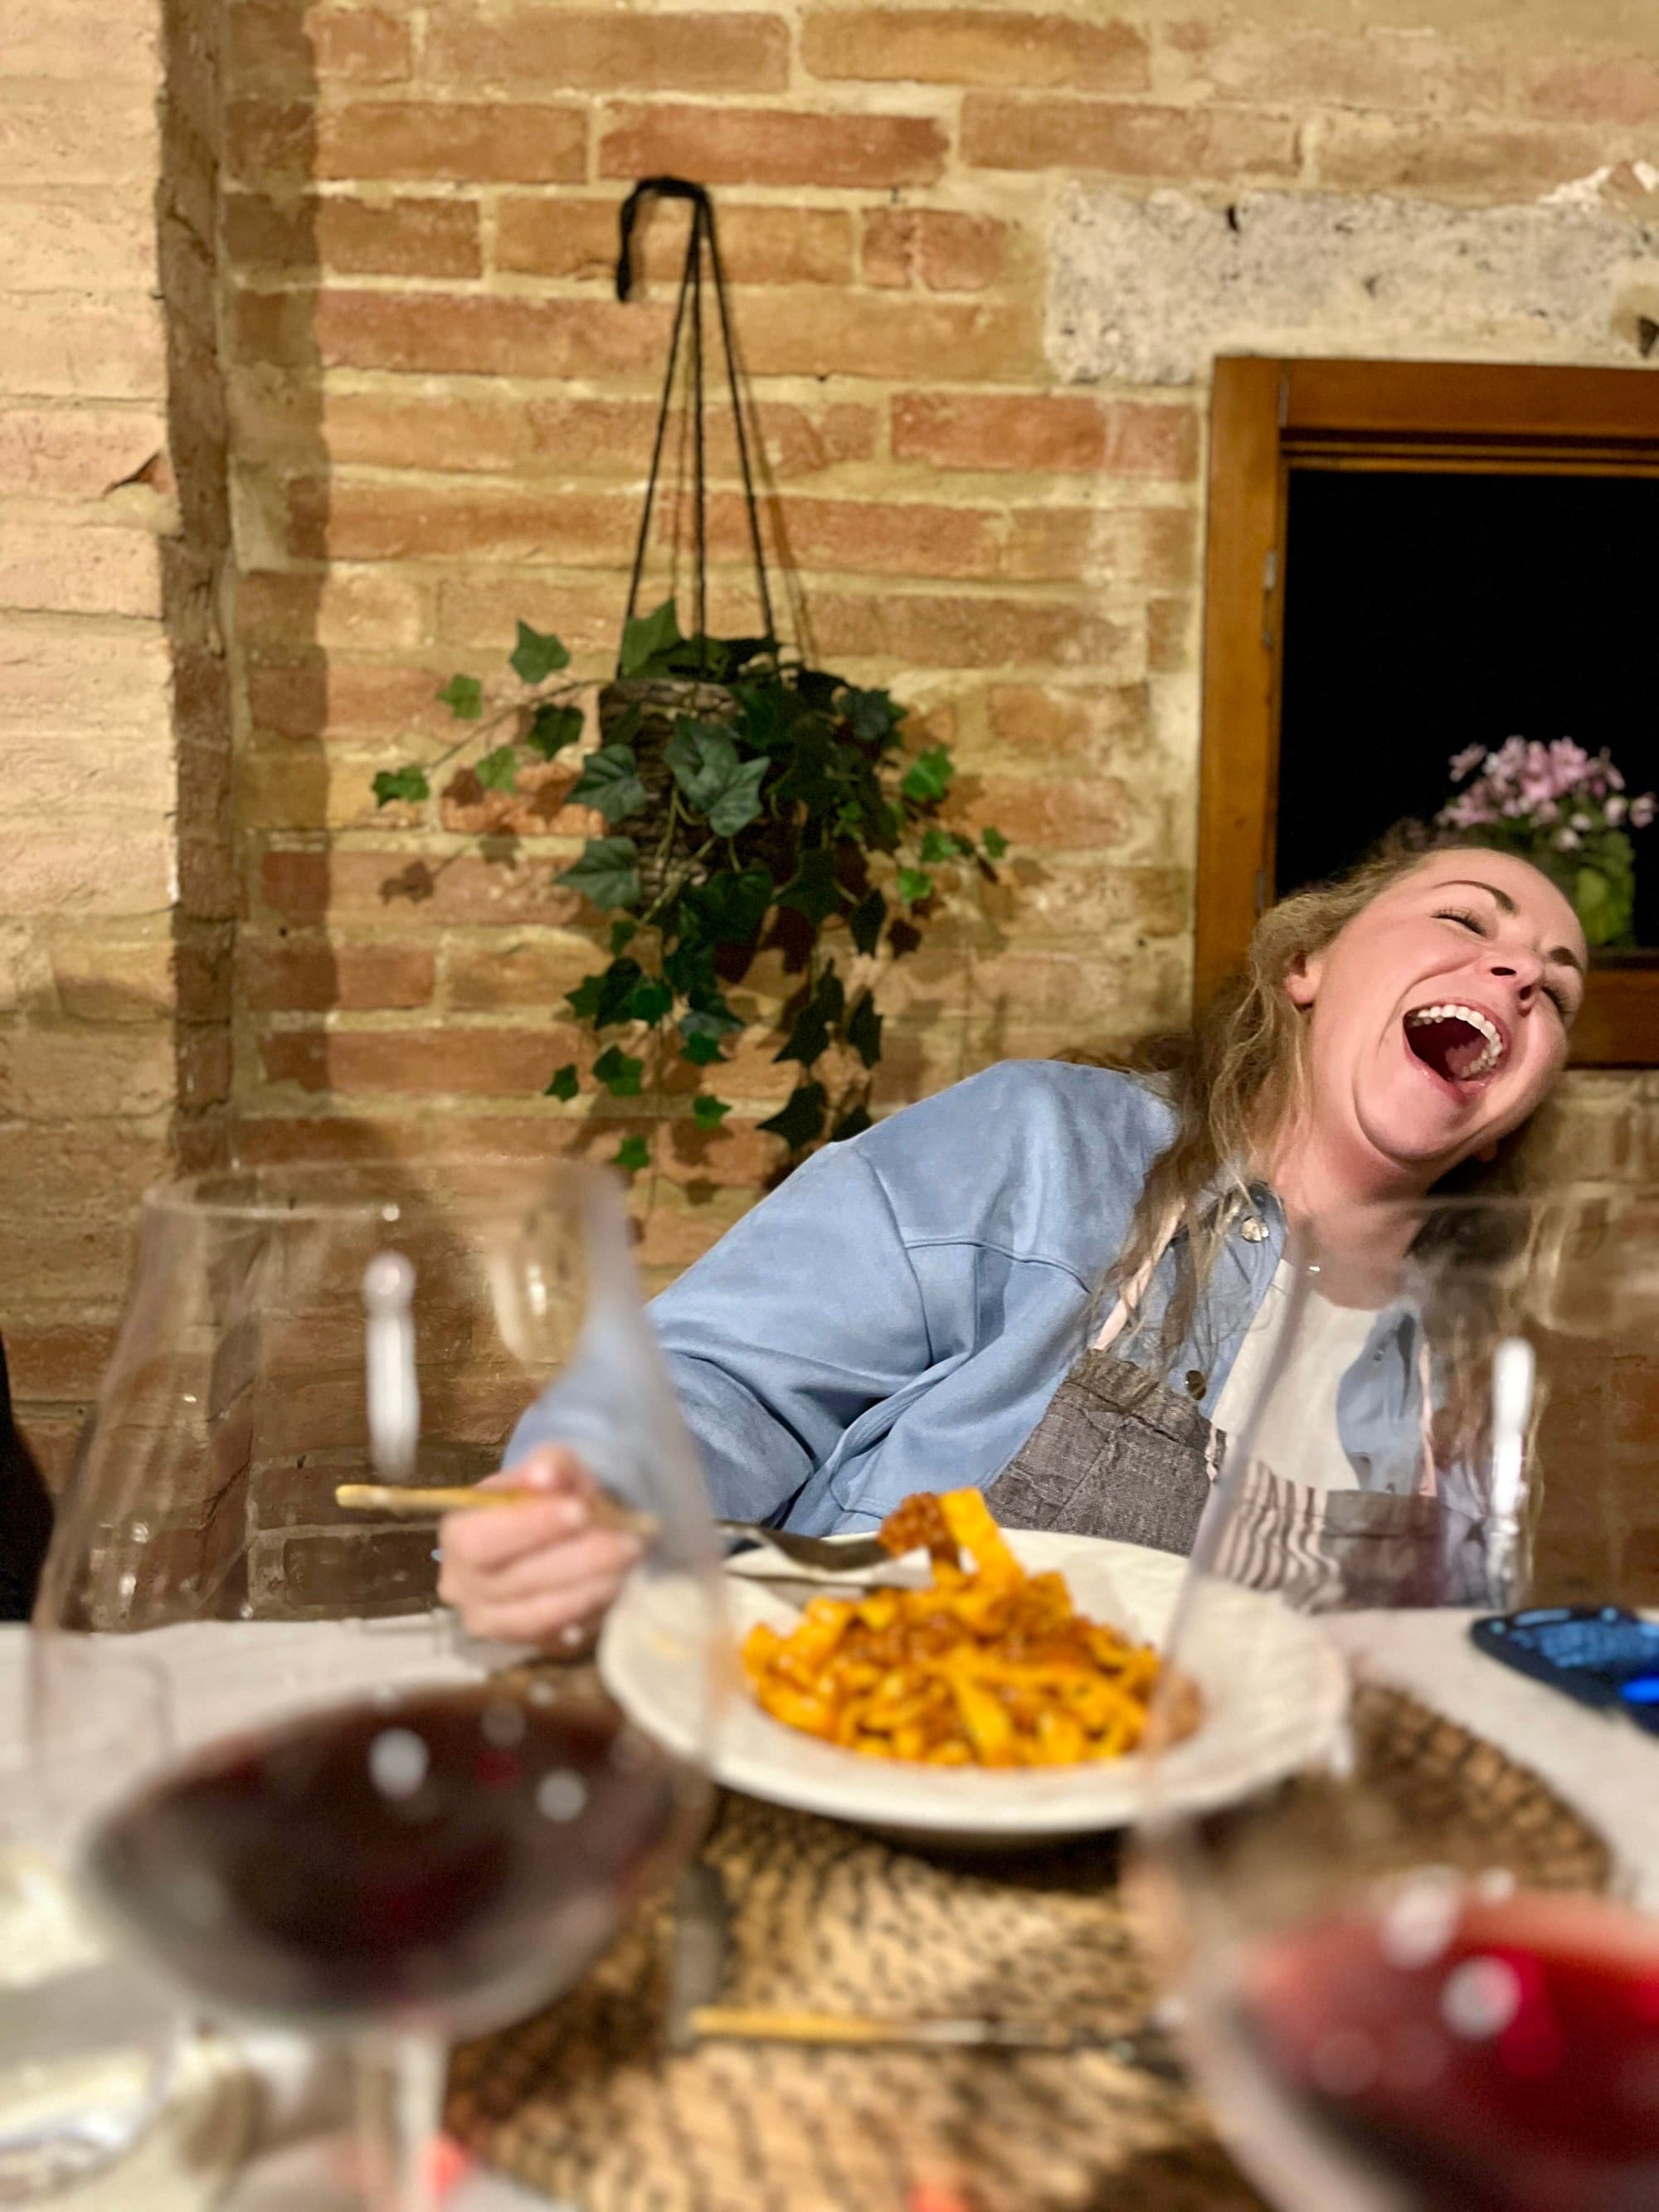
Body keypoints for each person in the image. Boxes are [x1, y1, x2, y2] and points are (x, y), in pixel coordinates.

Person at [440, 835, 1588, 1643]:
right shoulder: (1050, 1146)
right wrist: (591, 1499)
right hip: (870, 1769)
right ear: (1308, 964)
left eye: (1561, 987)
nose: (1521, 972)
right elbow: (713, 1381)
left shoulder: (1467, 1364)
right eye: (1463, 919)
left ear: (1503, 1127)